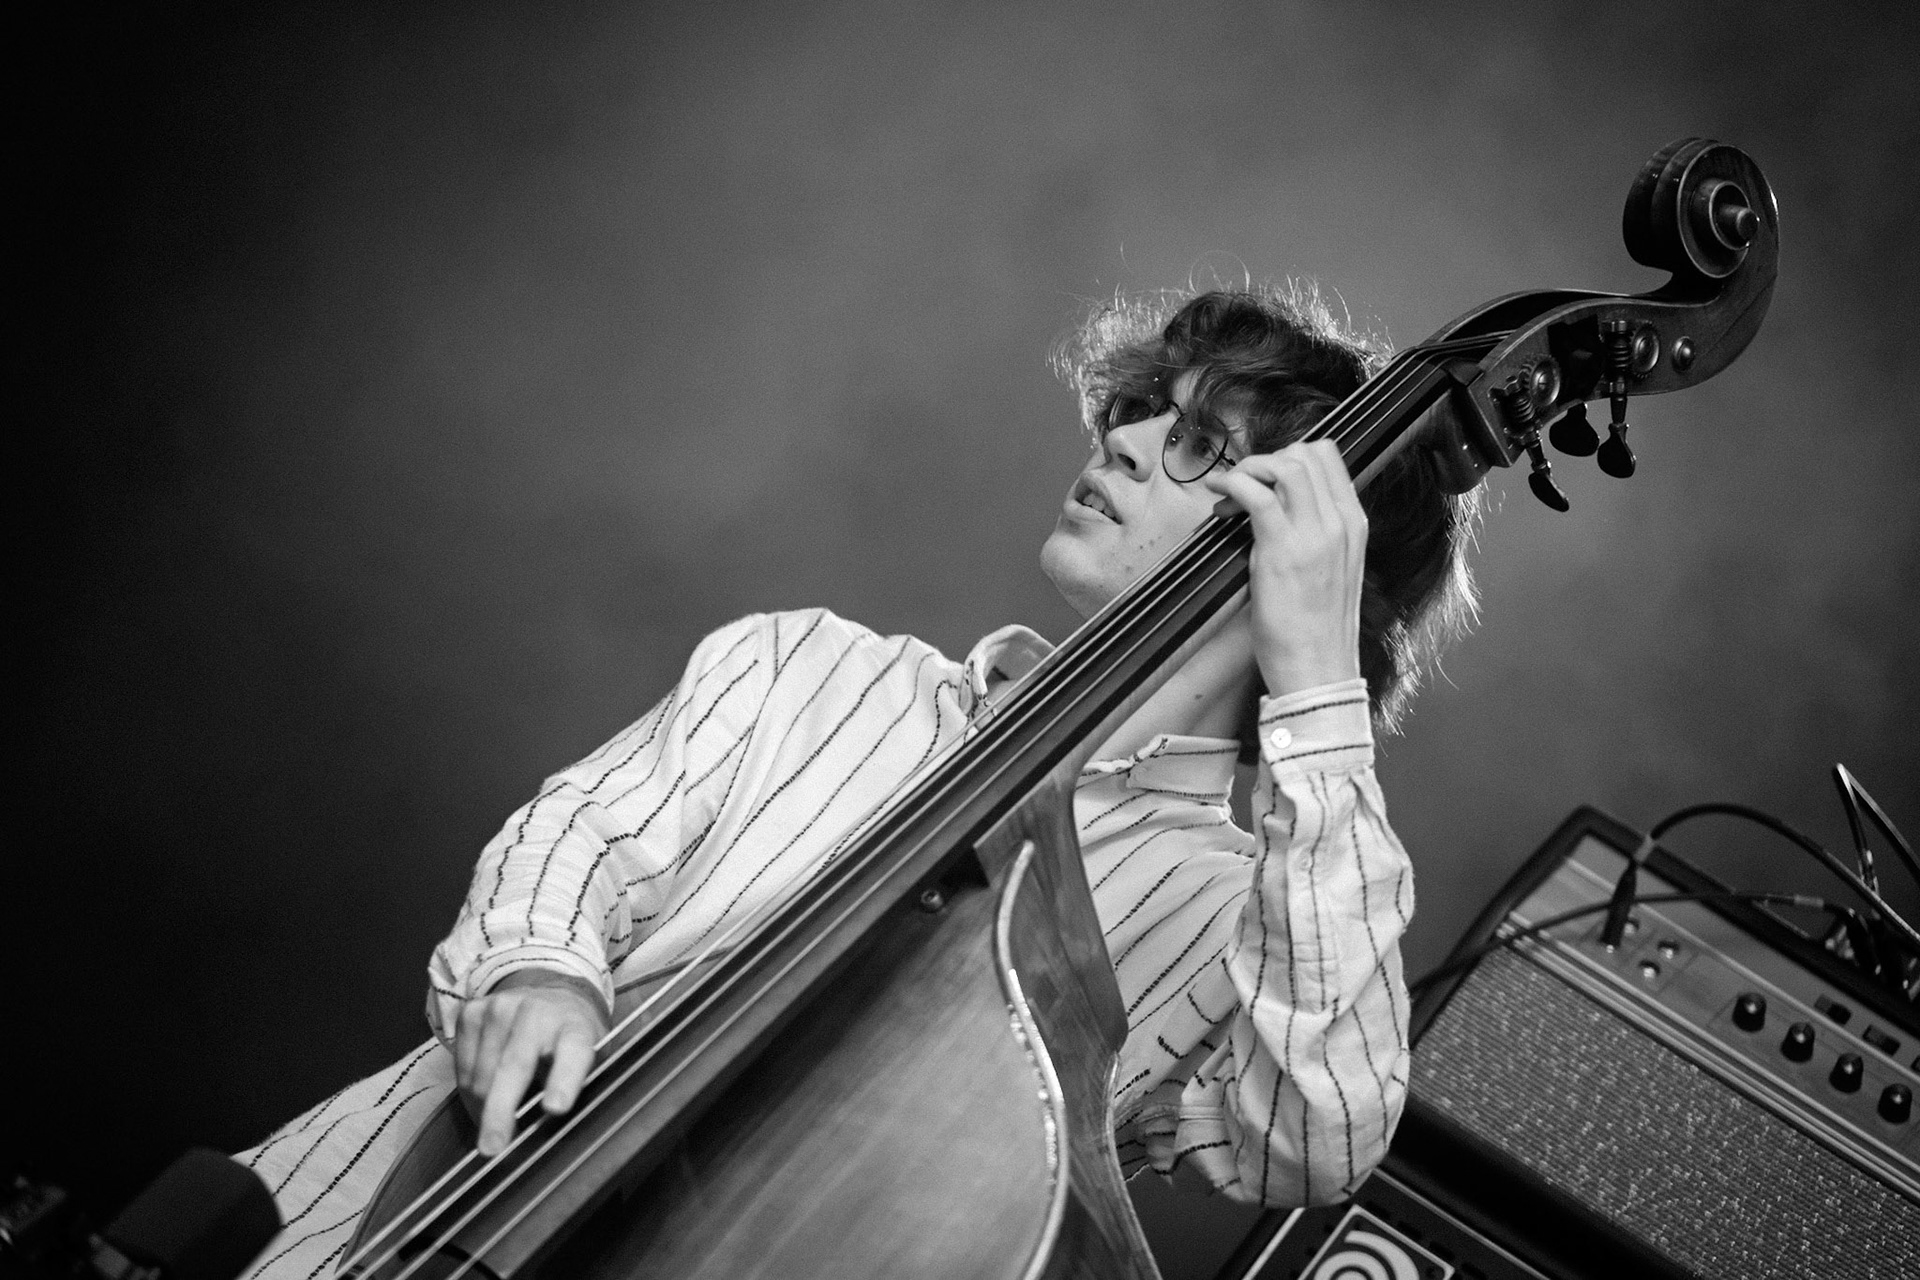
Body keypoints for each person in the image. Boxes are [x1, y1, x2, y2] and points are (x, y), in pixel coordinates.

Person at [234, 283, 1479, 1277]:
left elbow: (1320, 1133)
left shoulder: (1234, 917)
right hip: (339, 1223)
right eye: (1145, 403)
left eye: (1201, 440)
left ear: (1296, 552)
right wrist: (540, 969)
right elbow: (582, 837)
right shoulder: (812, 665)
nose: (1129, 438)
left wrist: (1316, 679)